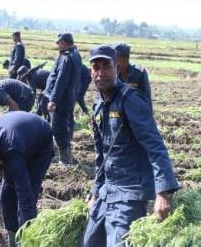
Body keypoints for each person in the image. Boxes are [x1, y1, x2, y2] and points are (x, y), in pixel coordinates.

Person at [83, 45, 179, 247]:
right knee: (90, 241)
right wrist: (95, 191)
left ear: (116, 67)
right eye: (96, 67)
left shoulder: (131, 99)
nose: (101, 73)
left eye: (106, 66)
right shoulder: (98, 105)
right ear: (91, 72)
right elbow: (101, 156)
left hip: (130, 192)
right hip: (106, 191)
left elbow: (155, 146)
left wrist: (162, 193)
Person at [0, 111, 53, 247]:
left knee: (27, 193)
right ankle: (13, 239)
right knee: (6, 195)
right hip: (18, 137)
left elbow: (25, 198)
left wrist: (29, 235)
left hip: (40, 143)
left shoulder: (12, 154)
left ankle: (27, 240)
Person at [43, 33, 80, 165]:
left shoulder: (66, 58)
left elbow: (61, 80)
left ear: (63, 43)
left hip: (61, 99)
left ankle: (65, 160)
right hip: (68, 97)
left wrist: (53, 99)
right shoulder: (76, 54)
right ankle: (65, 157)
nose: (57, 45)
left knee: (58, 128)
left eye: (58, 43)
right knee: (63, 127)